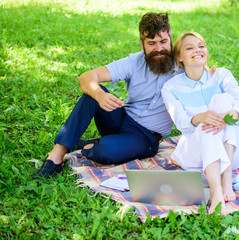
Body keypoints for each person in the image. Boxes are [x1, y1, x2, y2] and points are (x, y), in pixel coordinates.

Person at [33, 12, 183, 180]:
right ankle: (56, 157)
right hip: (121, 119)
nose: (159, 48)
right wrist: (99, 95)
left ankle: (90, 145)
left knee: (105, 151)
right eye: (151, 43)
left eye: (163, 41)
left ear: (170, 39)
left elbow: (207, 75)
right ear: (142, 44)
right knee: (92, 94)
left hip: (145, 137)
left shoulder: (184, 64)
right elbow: (86, 77)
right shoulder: (135, 61)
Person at [161, 32, 239, 215]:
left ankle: (226, 177)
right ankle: (216, 192)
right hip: (196, 157)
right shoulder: (170, 87)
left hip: (232, 155)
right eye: (189, 48)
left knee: (224, 100)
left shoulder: (222, 75)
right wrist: (200, 118)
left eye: (201, 46)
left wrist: (232, 113)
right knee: (204, 125)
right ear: (179, 57)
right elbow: (182, 124)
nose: (197, 50)